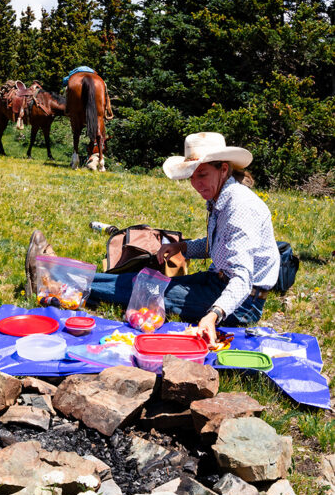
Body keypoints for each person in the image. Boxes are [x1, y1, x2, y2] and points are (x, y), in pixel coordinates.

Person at [25, 132, 280, 347]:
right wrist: (181, 247)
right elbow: (220, 246)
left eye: (201, 174)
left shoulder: (239, 208)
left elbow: (243, 279)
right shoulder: (222, 197)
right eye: (192, 175)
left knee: (145, 291)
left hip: (241, 303)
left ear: (223, 169)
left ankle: (55, 279)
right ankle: (58, 275)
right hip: (218, 282)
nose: (195, 183)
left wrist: (213, 315)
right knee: (146, 281)